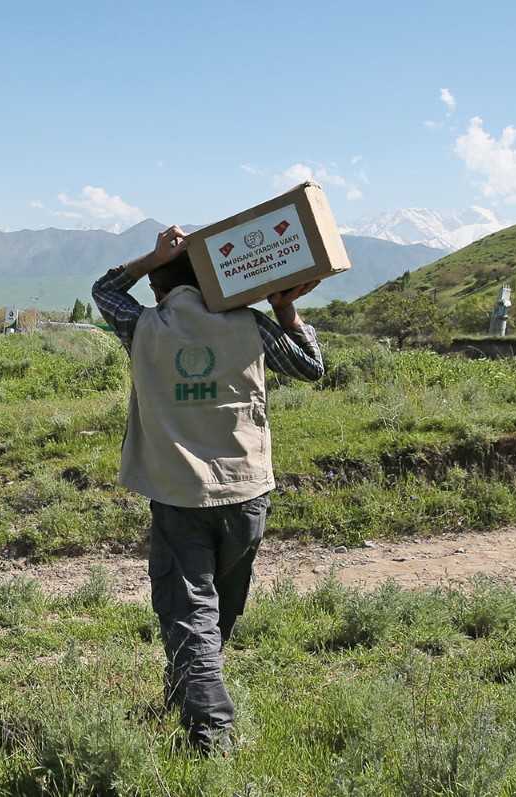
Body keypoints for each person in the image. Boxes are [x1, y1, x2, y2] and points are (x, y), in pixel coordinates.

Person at [92, 226, 325, 753]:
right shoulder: (249, 324)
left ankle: (211, 729)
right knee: (219, 608)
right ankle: (188, 692)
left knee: (190, 610)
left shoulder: (144, 325)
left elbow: (103, 291)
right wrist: (287, 312)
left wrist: (152, 257)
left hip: (179, 496)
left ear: (157, 287)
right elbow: (312, 366)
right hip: (248, 493)